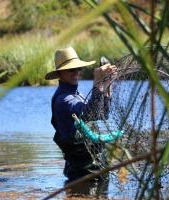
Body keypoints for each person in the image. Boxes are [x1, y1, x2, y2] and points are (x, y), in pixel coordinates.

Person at [45, 47, 116, 180]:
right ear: (59, 74)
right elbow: (91, 113)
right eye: (71, 69)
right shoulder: (63, 99)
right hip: (82, 173)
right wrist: (98, 83)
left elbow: (102, 114)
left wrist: (107, 85)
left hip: (95, 168)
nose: (76, 72)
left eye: (78, 68)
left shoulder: (77, 95)